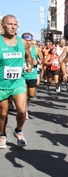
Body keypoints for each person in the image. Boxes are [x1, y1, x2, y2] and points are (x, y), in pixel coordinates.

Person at [0, 15, 33, 148]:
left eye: (15, 24)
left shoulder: (22, 42)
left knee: (22, 111)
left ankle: (18, 130)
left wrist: (29, 65)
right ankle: (2, 134)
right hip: (2, 84)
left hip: (18, 82)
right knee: (2, 113)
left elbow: (29, 57)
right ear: (3, 25)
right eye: (10, 24)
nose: (13, 27)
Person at [21, 33, 43, 120]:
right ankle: (24, 111)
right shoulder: (19, 49)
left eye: (30, 40)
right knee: (24, 93)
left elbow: (42, 59)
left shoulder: (36, 49)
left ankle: (29, 100)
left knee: (31, 94)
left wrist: (38, 62)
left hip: (32, 74)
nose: (28, 42)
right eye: (26, 40)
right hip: (22, 75)